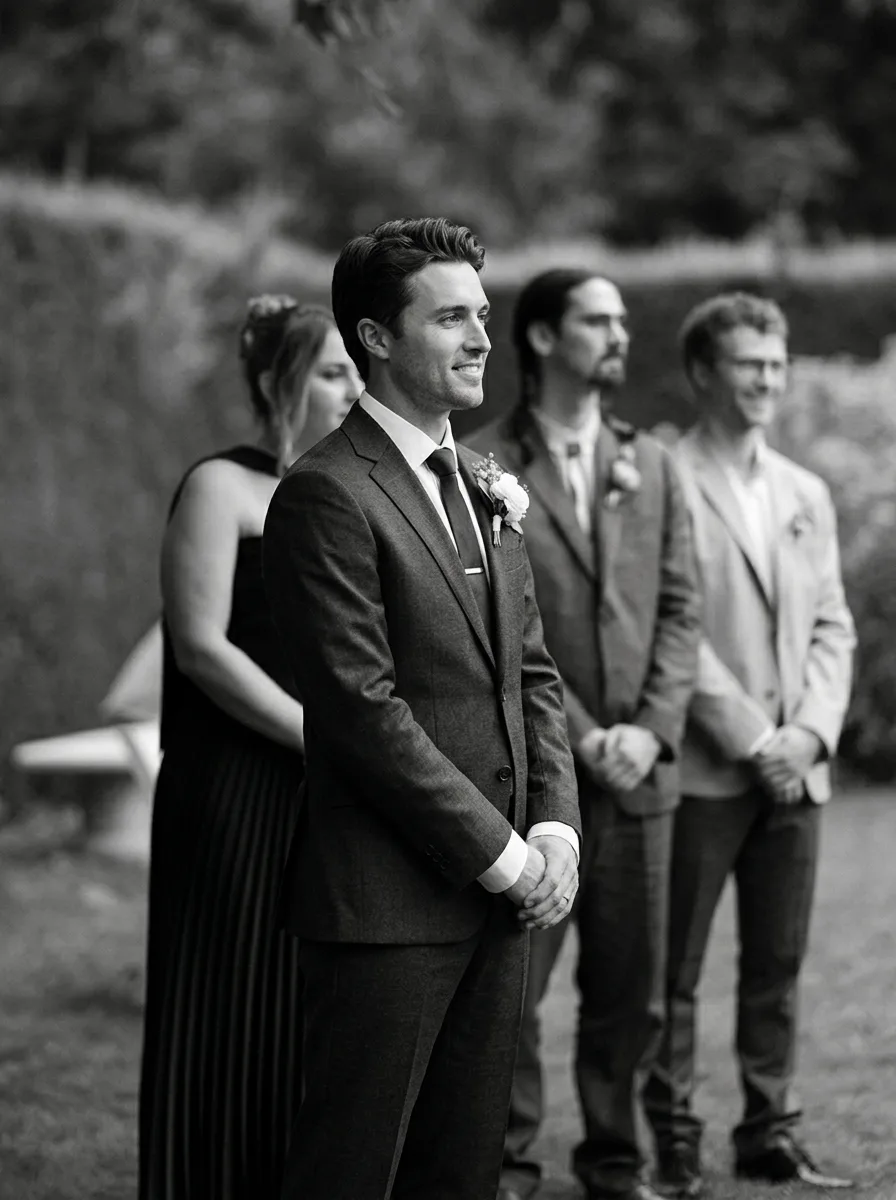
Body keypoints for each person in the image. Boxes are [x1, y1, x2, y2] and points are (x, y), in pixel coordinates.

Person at [262, 218, 582, 1200]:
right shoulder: (326, 495)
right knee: (351, 1171)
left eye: (481, 314)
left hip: (496, 906)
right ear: (374, 337)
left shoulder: (484, 486)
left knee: (462, 1170)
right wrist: (506, 857)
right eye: (450, 318)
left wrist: (558, 828)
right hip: (387, 909)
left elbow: (530, 674)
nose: (482, 337)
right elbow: (362, 711)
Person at [469, 269, 701, 1200]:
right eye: (597, 321)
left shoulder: (658, 464)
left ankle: (615, 1160)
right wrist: (587, 730)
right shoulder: (482, 466)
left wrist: (649, 730)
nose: (618, 335)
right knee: (513, 993)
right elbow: (490, 630)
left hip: (643, 777)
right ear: (540, 339)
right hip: (532, 776)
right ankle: (509, 1163)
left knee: (631, 993)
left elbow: (682, 611)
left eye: (621, 320)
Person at [138, 296, 362, 1200]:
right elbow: (200, 646)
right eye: (333, 372)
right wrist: (315, 733)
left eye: (357, 370)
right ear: (280, 384)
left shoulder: (349, 492)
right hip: (233, 784)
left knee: (310, 1008)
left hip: (332, 786)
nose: (354, 388)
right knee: (231, 1000)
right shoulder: (219, 488)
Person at [643, 293, 856, 1198]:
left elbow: (833, 624)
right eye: (748, 364)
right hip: (703, 769)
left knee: (777, 964)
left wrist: (808, 733)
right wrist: (753, 735)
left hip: (794, 776)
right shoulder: (662, 478)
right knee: (675, 972)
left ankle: (771, 1131)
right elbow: (667, 631)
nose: (768, 379)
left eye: (777, 363)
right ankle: (674, 1138)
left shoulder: (805, 489)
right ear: (702, 372)